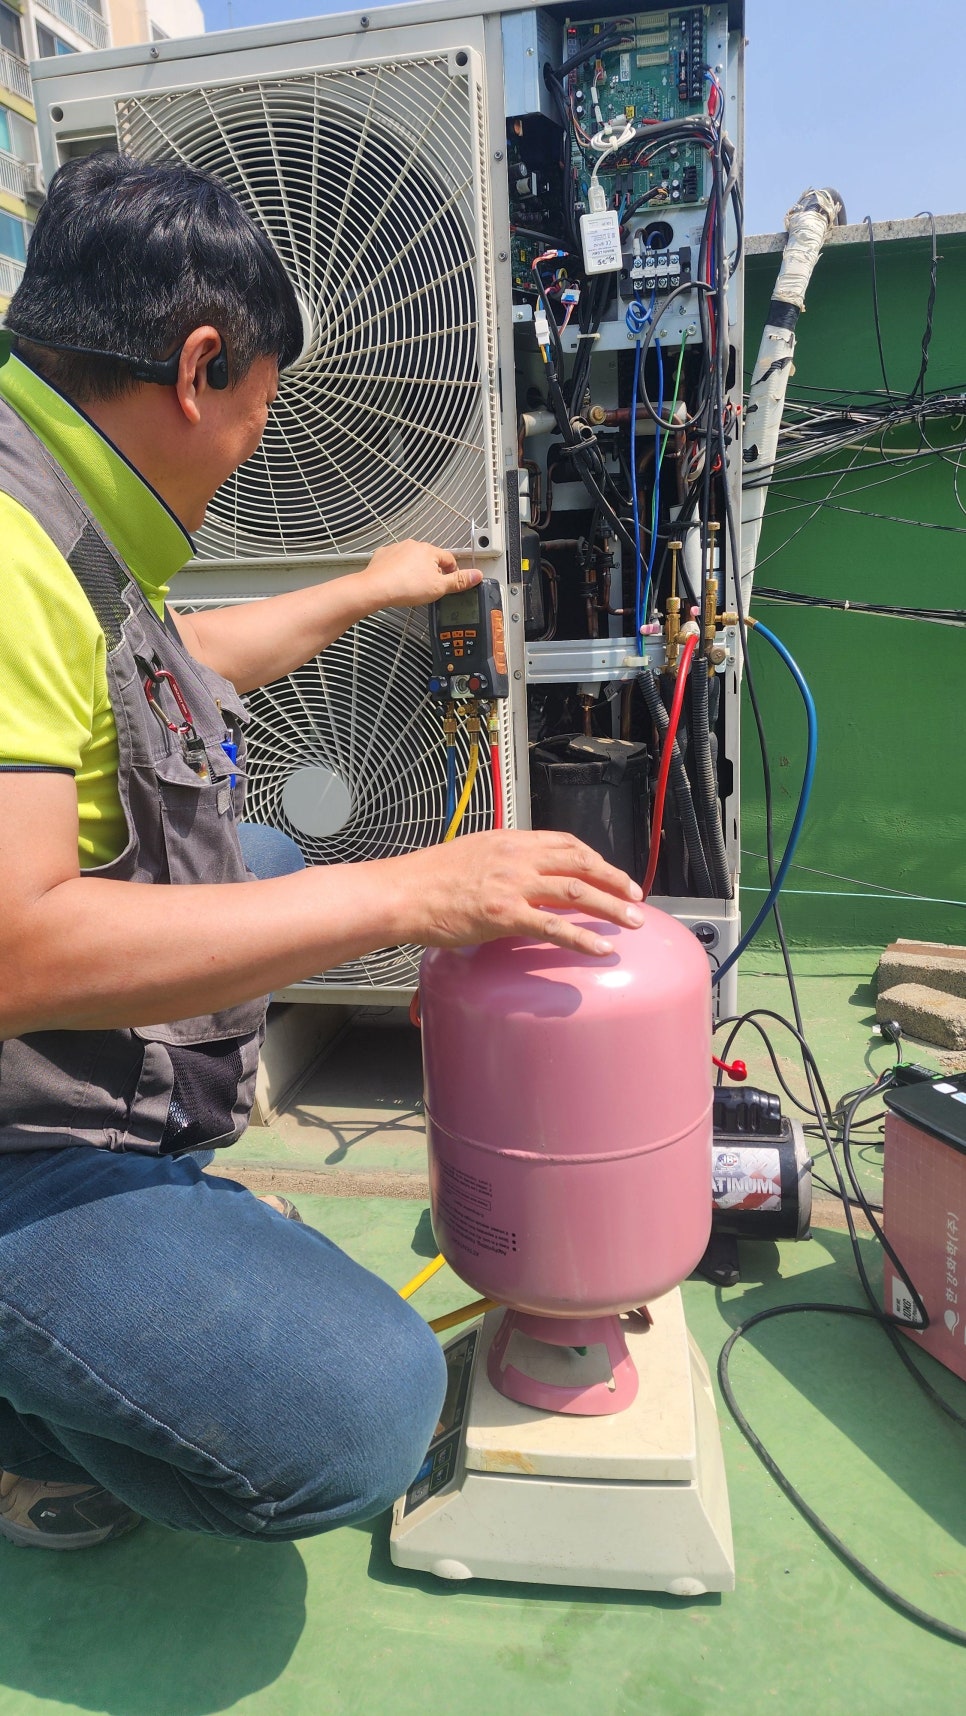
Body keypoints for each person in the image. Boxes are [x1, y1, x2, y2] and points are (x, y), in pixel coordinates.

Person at [0, 153, 645, 1551]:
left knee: (267, 865)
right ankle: (36, 1402)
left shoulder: (49, 499)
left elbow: (157, 671)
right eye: (261, 408)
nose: (253, 448)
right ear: (197, 368)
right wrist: (412, 891)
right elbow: (11, 952)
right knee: (359, 1414)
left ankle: (136, 1245)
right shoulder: (4, 547)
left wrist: (362, 590)